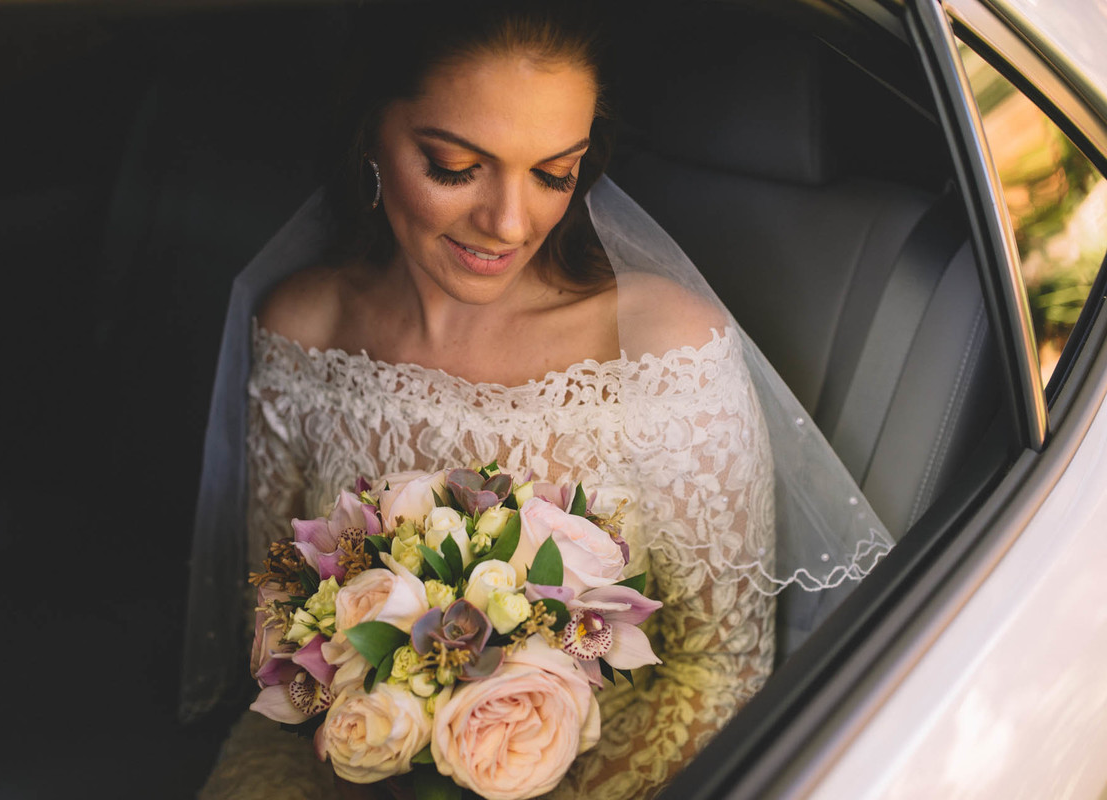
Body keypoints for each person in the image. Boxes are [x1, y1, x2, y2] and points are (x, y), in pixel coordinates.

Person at [183, 2, 890, 798]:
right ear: (369, 133)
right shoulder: (304, 327)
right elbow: (279, 626)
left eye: (554, 174)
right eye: (454, 166)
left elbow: (719, 672)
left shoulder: (662, 347)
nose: (509, 224)